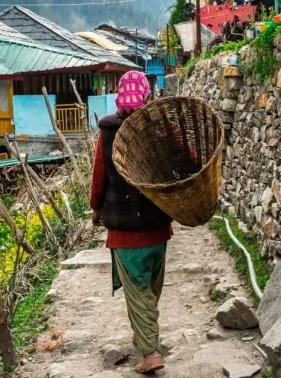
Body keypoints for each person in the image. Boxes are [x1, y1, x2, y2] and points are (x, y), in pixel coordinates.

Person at [90, 70, 172, 374]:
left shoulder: (108, 133)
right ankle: (143, 335)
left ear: (119, 96)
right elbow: (183, 158)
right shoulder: (157, 128)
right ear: (146, 97)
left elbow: (99, 179)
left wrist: (95, 209)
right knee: (149, 288)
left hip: (124, 233)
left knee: (138, 292)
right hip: (158, 228)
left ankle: (151, 352)